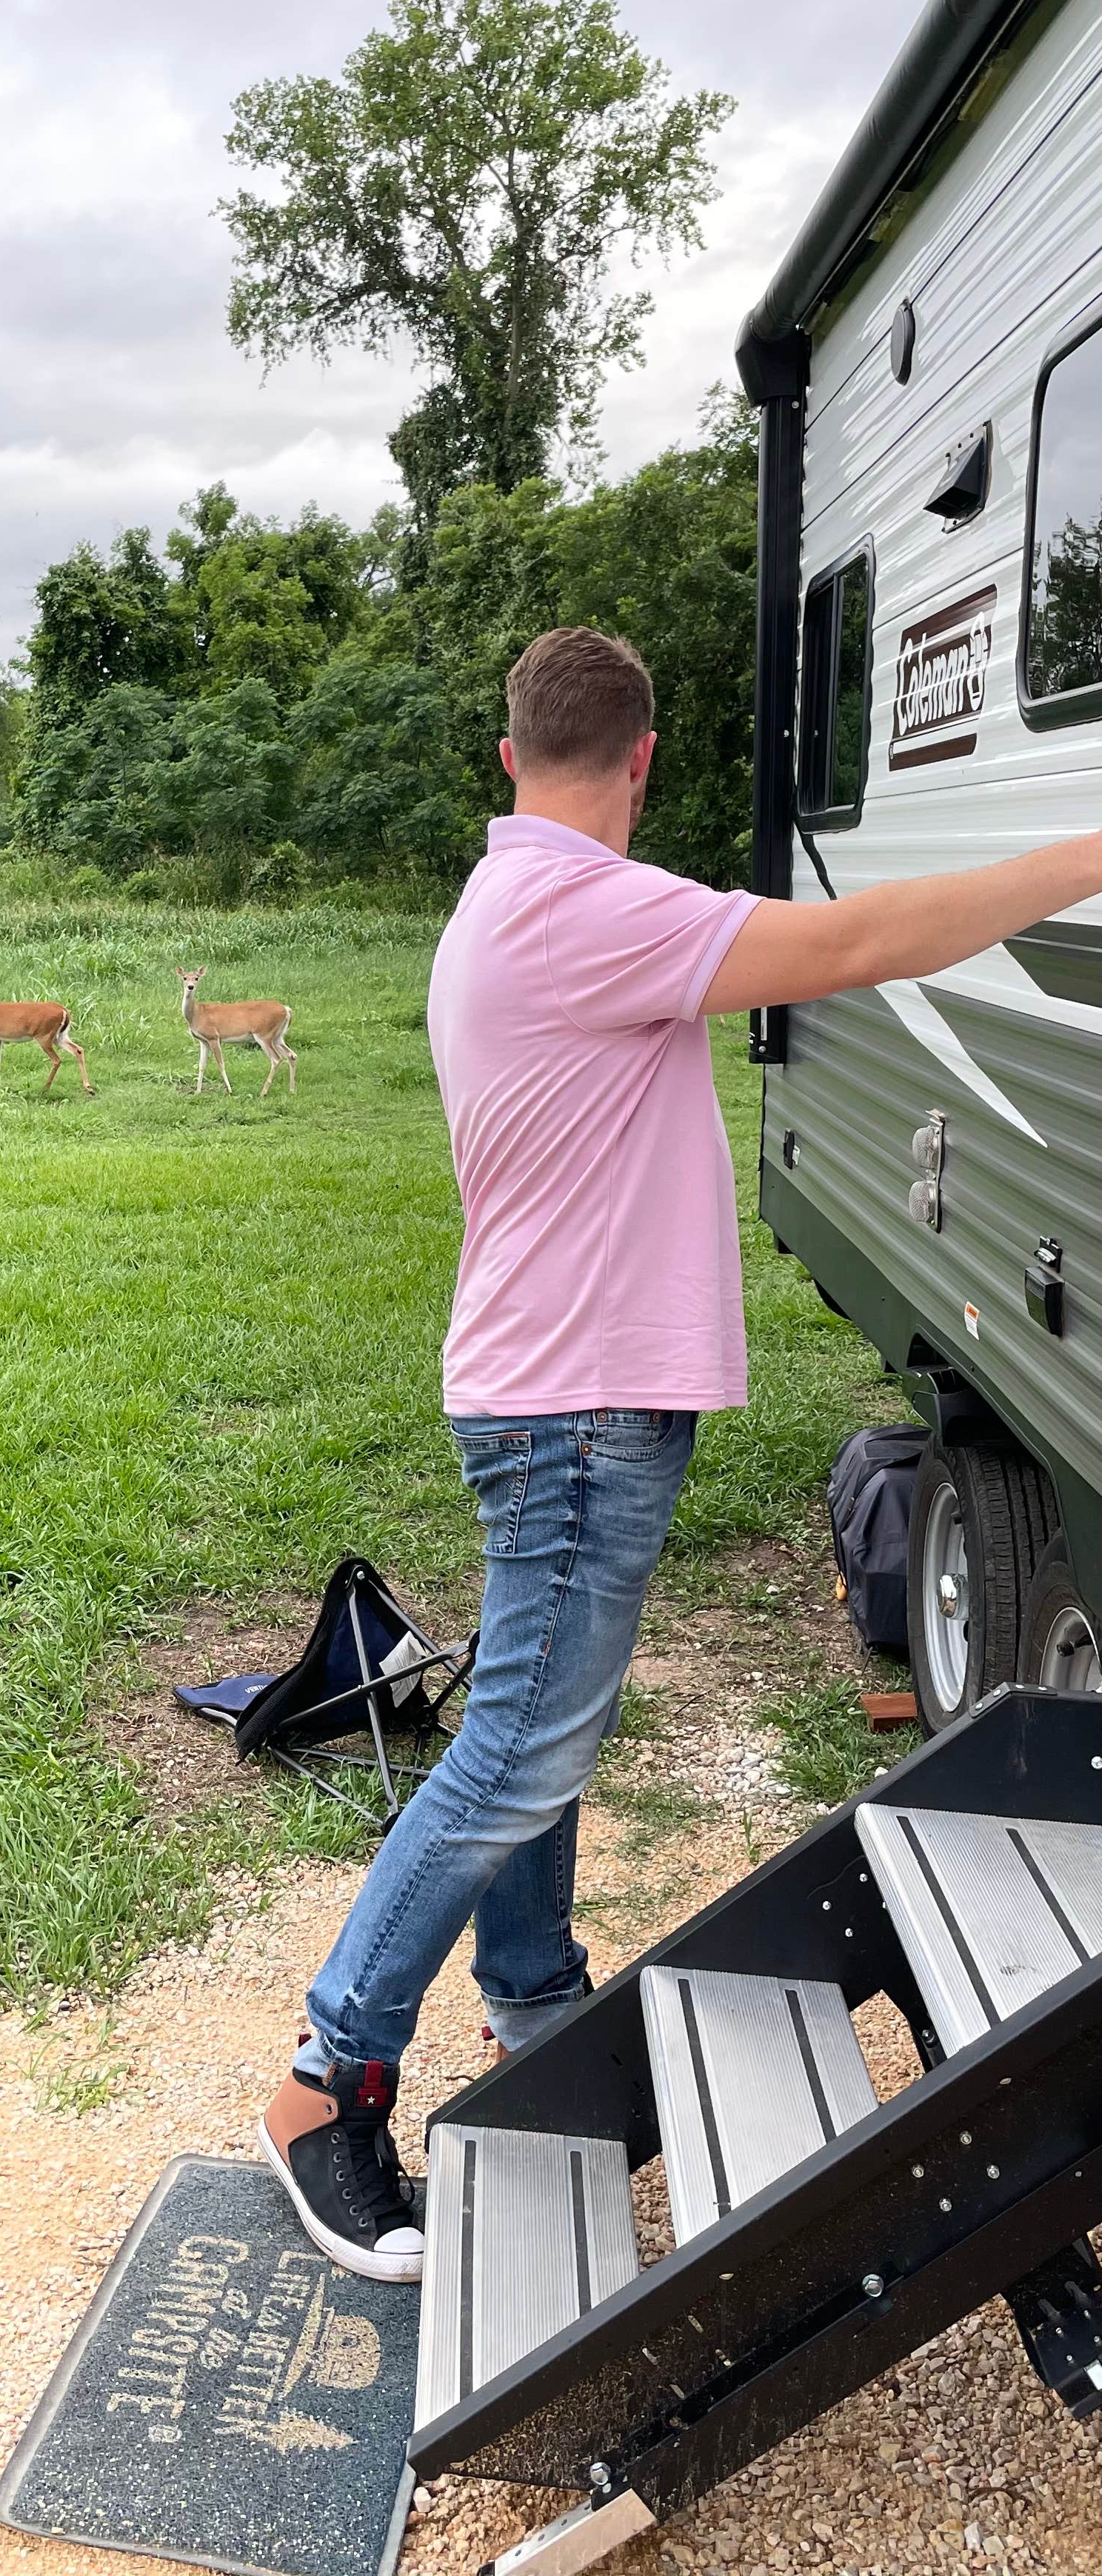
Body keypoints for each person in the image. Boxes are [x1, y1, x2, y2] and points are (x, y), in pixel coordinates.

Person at [257, 621, 1102, 2284]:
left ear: (513, 755)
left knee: (533, 1736)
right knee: (516, 1749)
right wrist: (1088, 850)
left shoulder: (510, 902)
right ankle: (326, 2082)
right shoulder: (587, 907)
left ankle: (534, 2017)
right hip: (573, 1408)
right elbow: (861, 939)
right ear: (642, 759)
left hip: (547, 1392)